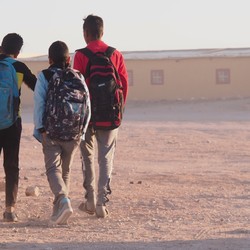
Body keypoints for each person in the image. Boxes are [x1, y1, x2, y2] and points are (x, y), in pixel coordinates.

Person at [73, 14, 129, 218]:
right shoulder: (115, 54)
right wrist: (119, 110)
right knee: (105, 157)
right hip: (111, 114)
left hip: (87, 115)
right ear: (102, 32)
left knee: (87, 156)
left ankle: (89, 200)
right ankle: (101, 204)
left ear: (85, 34)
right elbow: (124, 84)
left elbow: (77, 87)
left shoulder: (80, 55)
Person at [33, 41, 90, 225]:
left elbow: (39, 104)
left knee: (52, 169)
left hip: (51, 132)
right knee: (65, 171)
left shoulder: (45, 75)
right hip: (74, 133)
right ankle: (58, 212)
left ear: (50, 59)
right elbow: (87, 104)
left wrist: (40, 129)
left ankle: (63, 200)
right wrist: (82, 132)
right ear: (69, 59)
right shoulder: (79, 76)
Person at [0, 33, 37, 222]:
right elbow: (38, 87)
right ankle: (10, 210)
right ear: (18, 51)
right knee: (11, 165)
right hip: (13, 122)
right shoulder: (19, 67)